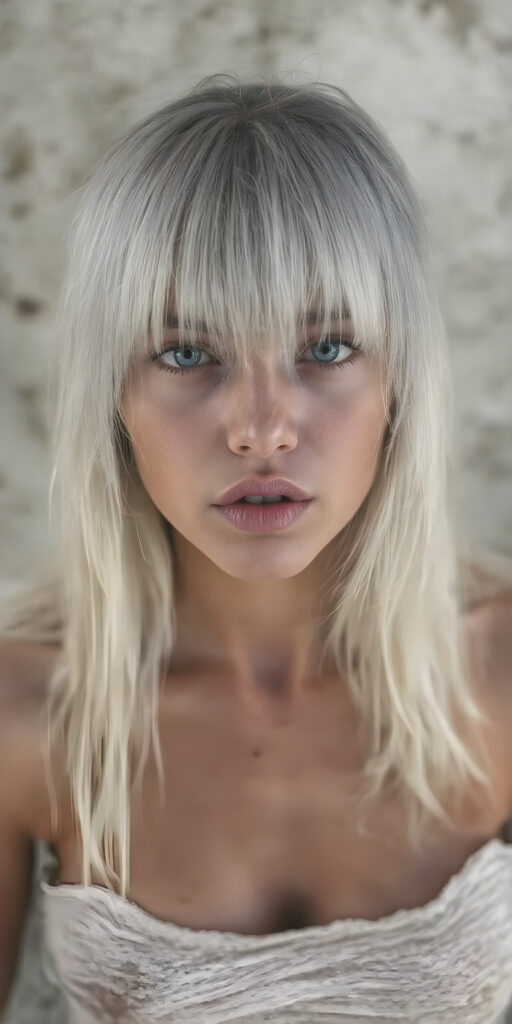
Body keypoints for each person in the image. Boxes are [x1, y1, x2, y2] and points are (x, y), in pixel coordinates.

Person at [1, 72, 512, 1024]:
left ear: (399, 380)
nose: (263, 428)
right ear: (115, 397)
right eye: (188, 353)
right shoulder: (26, 719)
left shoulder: (501, 678)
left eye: (325, 348)